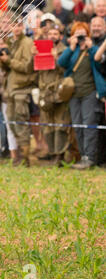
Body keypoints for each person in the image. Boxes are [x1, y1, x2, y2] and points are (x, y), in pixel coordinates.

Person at [58, 22, 106, 169]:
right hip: (74, 94)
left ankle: (90, 158)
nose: (80, 37)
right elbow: (61, 63)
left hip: (89, 93)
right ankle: (83, 155)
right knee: (78, 126)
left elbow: (99, 64)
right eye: (76, 34)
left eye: (82, 34)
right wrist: (71, 48)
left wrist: (90, 48)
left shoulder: (93, 49)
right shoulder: (72, 50)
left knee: (89, 126)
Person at [0, 18, 37, 167]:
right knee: (12, 123)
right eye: (14, 25)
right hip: (11, 89)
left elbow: (27, 67)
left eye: (19, 25)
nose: (16, 28)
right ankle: (20, 155)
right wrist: (3, 60)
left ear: (23, 27)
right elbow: (6, 69)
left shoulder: (27, 43)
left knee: (21, 123)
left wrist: (8, 60)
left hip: (22, 88)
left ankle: (25, 158)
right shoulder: (10, 42)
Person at [32, 23, 72, 166]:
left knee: (60, 125)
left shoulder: (65, 50)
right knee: (47, 125)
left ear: (60, 36)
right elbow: (34, 71)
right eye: (50, 34)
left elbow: (67, 71)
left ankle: (60, 156)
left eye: (55, 34)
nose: (52, 36)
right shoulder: (41, 49)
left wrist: (56, 59)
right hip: (44, 92)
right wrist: (34, 56)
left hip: (59, 92)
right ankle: (52, 153)